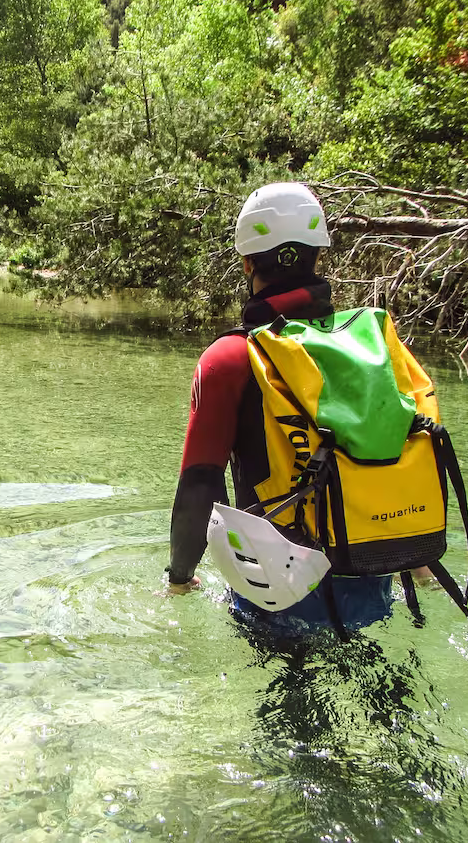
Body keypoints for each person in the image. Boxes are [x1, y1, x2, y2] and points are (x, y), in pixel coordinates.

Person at [165, 182, 396, 634]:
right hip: (373, 577)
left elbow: (200, 483)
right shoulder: (365, 347)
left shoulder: (230, 358)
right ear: (319, 255)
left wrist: (178, 579)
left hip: (277, 591)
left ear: (248, 261)